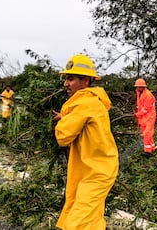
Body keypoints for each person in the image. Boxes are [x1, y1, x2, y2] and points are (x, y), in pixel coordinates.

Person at [52, 54, 119, 230]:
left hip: (97, 173)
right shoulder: (91, 102)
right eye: (66, 78)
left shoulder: (84, 105)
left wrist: (61, 120)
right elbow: (81, 118)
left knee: (77, 223)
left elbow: (62, 137)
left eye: (71, 79)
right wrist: (66, 115)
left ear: (86, 81)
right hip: (95, 168)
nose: (66, 83)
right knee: (92, 219)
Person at [134, 78, 156, 157]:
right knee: (147, 133)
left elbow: (146, 109)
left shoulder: (148, 95)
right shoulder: (139, 93)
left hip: (149, 117)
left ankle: (148, 152)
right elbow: (140, 105)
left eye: (139, 87)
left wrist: (137, 114)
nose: (138, 88)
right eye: (137, 87)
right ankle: (152, 147)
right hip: (143, 117)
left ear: (143, 87)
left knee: (147, 134)